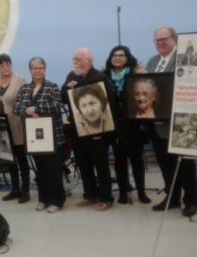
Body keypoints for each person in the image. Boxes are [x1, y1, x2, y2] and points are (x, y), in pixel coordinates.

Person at [146, 27, 197, 217]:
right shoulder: (152, 61)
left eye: (163, 39)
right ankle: (173, 198)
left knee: (184, 164)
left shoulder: (185, 58)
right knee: (165, 164)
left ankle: (192, 200)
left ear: (174, 39)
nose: (160, 43)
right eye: (156, 40)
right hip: (156, 124)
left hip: (179, 123)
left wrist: (165, 114)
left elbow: (188, 90)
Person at [62, 48, 117, 211]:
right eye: (74, 59)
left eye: (78, 59)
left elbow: (111, 106)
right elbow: (63, 99)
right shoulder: (71, 76)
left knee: (101, 166)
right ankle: (90, 195)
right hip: (78, 130)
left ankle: (106, 198)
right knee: (83, 165)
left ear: (88, 61)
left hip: (98, 132)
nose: (75, 62)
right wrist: (67, 87)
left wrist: (102, 131)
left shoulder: (101, 78)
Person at [12, 56, 66, 213]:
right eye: (35, 68)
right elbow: (16, 107)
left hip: (53, 138)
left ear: (44, 69)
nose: (38, 71)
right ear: (30, 70)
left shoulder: (52, 86)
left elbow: (57, 105)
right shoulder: (25, 89)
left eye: (40, 68)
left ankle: (57, 200)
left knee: (54, 170)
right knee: (40, 171)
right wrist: (27, 111)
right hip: (34, 139)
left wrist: (37, 109)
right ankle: (43, 199)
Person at [102, 46, 151, 205]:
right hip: (115, 126)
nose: (117, 57)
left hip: (135, 125)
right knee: (120, 162)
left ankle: (141, 193)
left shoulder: (138, 74)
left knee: (137, 161)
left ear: (128, 57)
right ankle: (123, 192)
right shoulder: (103, 76)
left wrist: (148, 77)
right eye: (114, 55)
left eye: (121, 55)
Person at [0, 53, 31, 204]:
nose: (5, 68)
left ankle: (25, 190)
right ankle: (15, 189)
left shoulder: (21, 79)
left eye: (8, 64)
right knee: (9, 160)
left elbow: (27, 101)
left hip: (17, 125)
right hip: (0, 126)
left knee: (21, 158)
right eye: (2, 66)